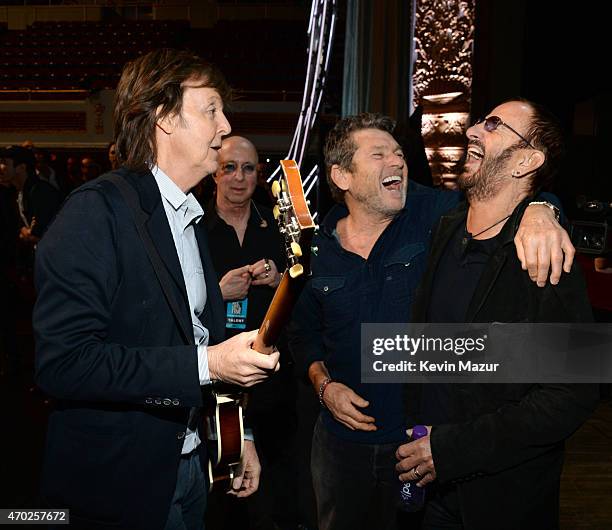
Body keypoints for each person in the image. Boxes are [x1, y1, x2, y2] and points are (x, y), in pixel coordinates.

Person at [287, 112, 575, 530]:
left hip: (418, 445)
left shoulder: (437, 213)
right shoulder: (314, 249)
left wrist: (542, 209)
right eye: (379, 154)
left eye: (399, 153)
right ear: (342, 176)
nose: (398, 162)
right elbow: (304, 336)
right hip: (339, 445)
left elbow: (507, 195)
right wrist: (323, 386)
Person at [33, 49, 280, 530]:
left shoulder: (188, 218)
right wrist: (208, 364)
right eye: (211, 109)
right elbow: (64, 363)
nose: (225, 126)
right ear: (164, 116)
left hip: (190, 468)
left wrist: (237, 434)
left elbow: (195, 339)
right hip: (121, 483)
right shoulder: (97, 211)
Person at [396, 99, 600, 529]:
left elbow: (573, 393)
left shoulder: (546, 256)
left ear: (527, 159)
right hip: (422, 486)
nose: (472, 130)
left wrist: (453, 449)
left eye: (493, 124)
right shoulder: (445, 229)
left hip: (497, 501)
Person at [204, 135, 298, 529]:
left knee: (270, 502)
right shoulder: (193, 226)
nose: (239, 177)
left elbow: (304, 289)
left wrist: (282, 279)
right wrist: (217, 293)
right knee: (217, 500)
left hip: (270, 383)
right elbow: (168, 301)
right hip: (211, 382)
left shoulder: (277, 225)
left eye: (248, 168)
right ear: (214, 172)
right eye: (229, 167)